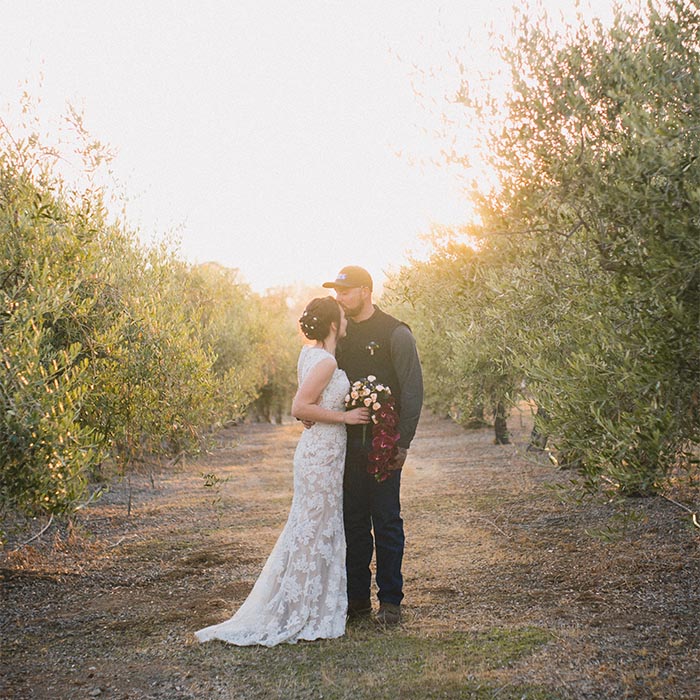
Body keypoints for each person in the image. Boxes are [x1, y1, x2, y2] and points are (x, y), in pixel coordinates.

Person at [195, 296, 370, 646]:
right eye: (342, 317)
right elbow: (299, 406)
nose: (346, 322)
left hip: (320, 450)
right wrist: (346, 417)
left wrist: (321, 413)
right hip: (321, 453)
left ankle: (308, 602)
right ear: (333, 324)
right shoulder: (326, 361)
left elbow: (310, 403)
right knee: (314, 528)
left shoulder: (309, 354)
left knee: (313, 527)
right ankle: (302, 608)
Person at [322, 265, 423, 626]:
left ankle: (391, 602)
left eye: (345, 291)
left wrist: (402, 443)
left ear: (365, 291)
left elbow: (412, 390)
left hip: (384, 446)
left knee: (387, 521)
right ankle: (357, 602)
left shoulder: (396, 333)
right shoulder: (339, 334)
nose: (339, 297)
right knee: (352, 523)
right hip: (344, 445)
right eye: (337, 291)